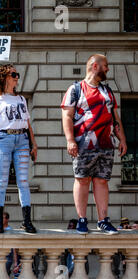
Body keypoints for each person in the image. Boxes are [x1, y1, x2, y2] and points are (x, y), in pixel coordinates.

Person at [61, 54, 127, 235]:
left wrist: (122, 139)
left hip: (106, 144)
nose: (108, 69)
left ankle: (103, 220)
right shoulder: (76, 89)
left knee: (102, 181)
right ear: (95, 66)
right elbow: (67, 116)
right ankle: (82, 220)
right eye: (105, 65)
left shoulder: (108, 91)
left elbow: (115, 117)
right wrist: (70, 140)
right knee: (82, 180)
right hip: (83, 144)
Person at [0, 64, 38, 234]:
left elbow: (27, 123)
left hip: (22, 140)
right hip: (4, 139)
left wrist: (34, 143)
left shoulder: (21, 100)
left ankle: (27, 221)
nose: (17, 77)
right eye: (14, 74)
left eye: (17, 74)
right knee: (1, 182)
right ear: (5, 77)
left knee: (23, 182)